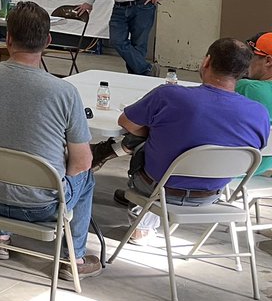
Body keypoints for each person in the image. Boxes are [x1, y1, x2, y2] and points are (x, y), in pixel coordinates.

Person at [0, 1, 101, 278]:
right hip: (43, 207)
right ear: (48, 41)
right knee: (87, 175)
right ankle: (73, 260)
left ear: (7, 39)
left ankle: (0, 238)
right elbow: (82, 162)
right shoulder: (64, 92)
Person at [110, 38, 270, 241]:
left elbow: (126, 122)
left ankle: (141, 224)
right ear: (243, 71)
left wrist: (156, 133)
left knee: (142, 145)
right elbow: (256, 148)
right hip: (212, 193)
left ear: (206, 61)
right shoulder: (258, 113)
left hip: (160, 190)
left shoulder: (169, 95)